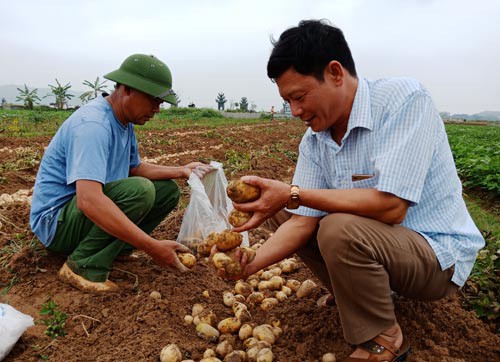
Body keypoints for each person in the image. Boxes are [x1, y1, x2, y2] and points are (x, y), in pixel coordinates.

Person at [228, 20, 485, 361]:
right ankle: (362, 297)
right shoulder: (316, 140)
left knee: (337, 227)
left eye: (299, 97)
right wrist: (250, 265)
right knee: (287, 210)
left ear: (335, 72)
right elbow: (302, 221)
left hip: (437, 257)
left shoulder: (403, 101)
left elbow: (392, 207)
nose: (296, 111)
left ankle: (384, 338)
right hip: (384, 249)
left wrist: (295, 193)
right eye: (287, 101)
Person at [30, 54, 213, 293]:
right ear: (126, 90)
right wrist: (151, 246)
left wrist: (181, 170)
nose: (157, 109)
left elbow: (134, 167)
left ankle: (114, 250)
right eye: (153, 100)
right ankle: (83, 265)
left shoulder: (123, 122)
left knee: (166, 190)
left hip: (79, 215)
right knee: (140, 191)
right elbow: (88, 200)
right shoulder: (93, 126)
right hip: (56, 222)